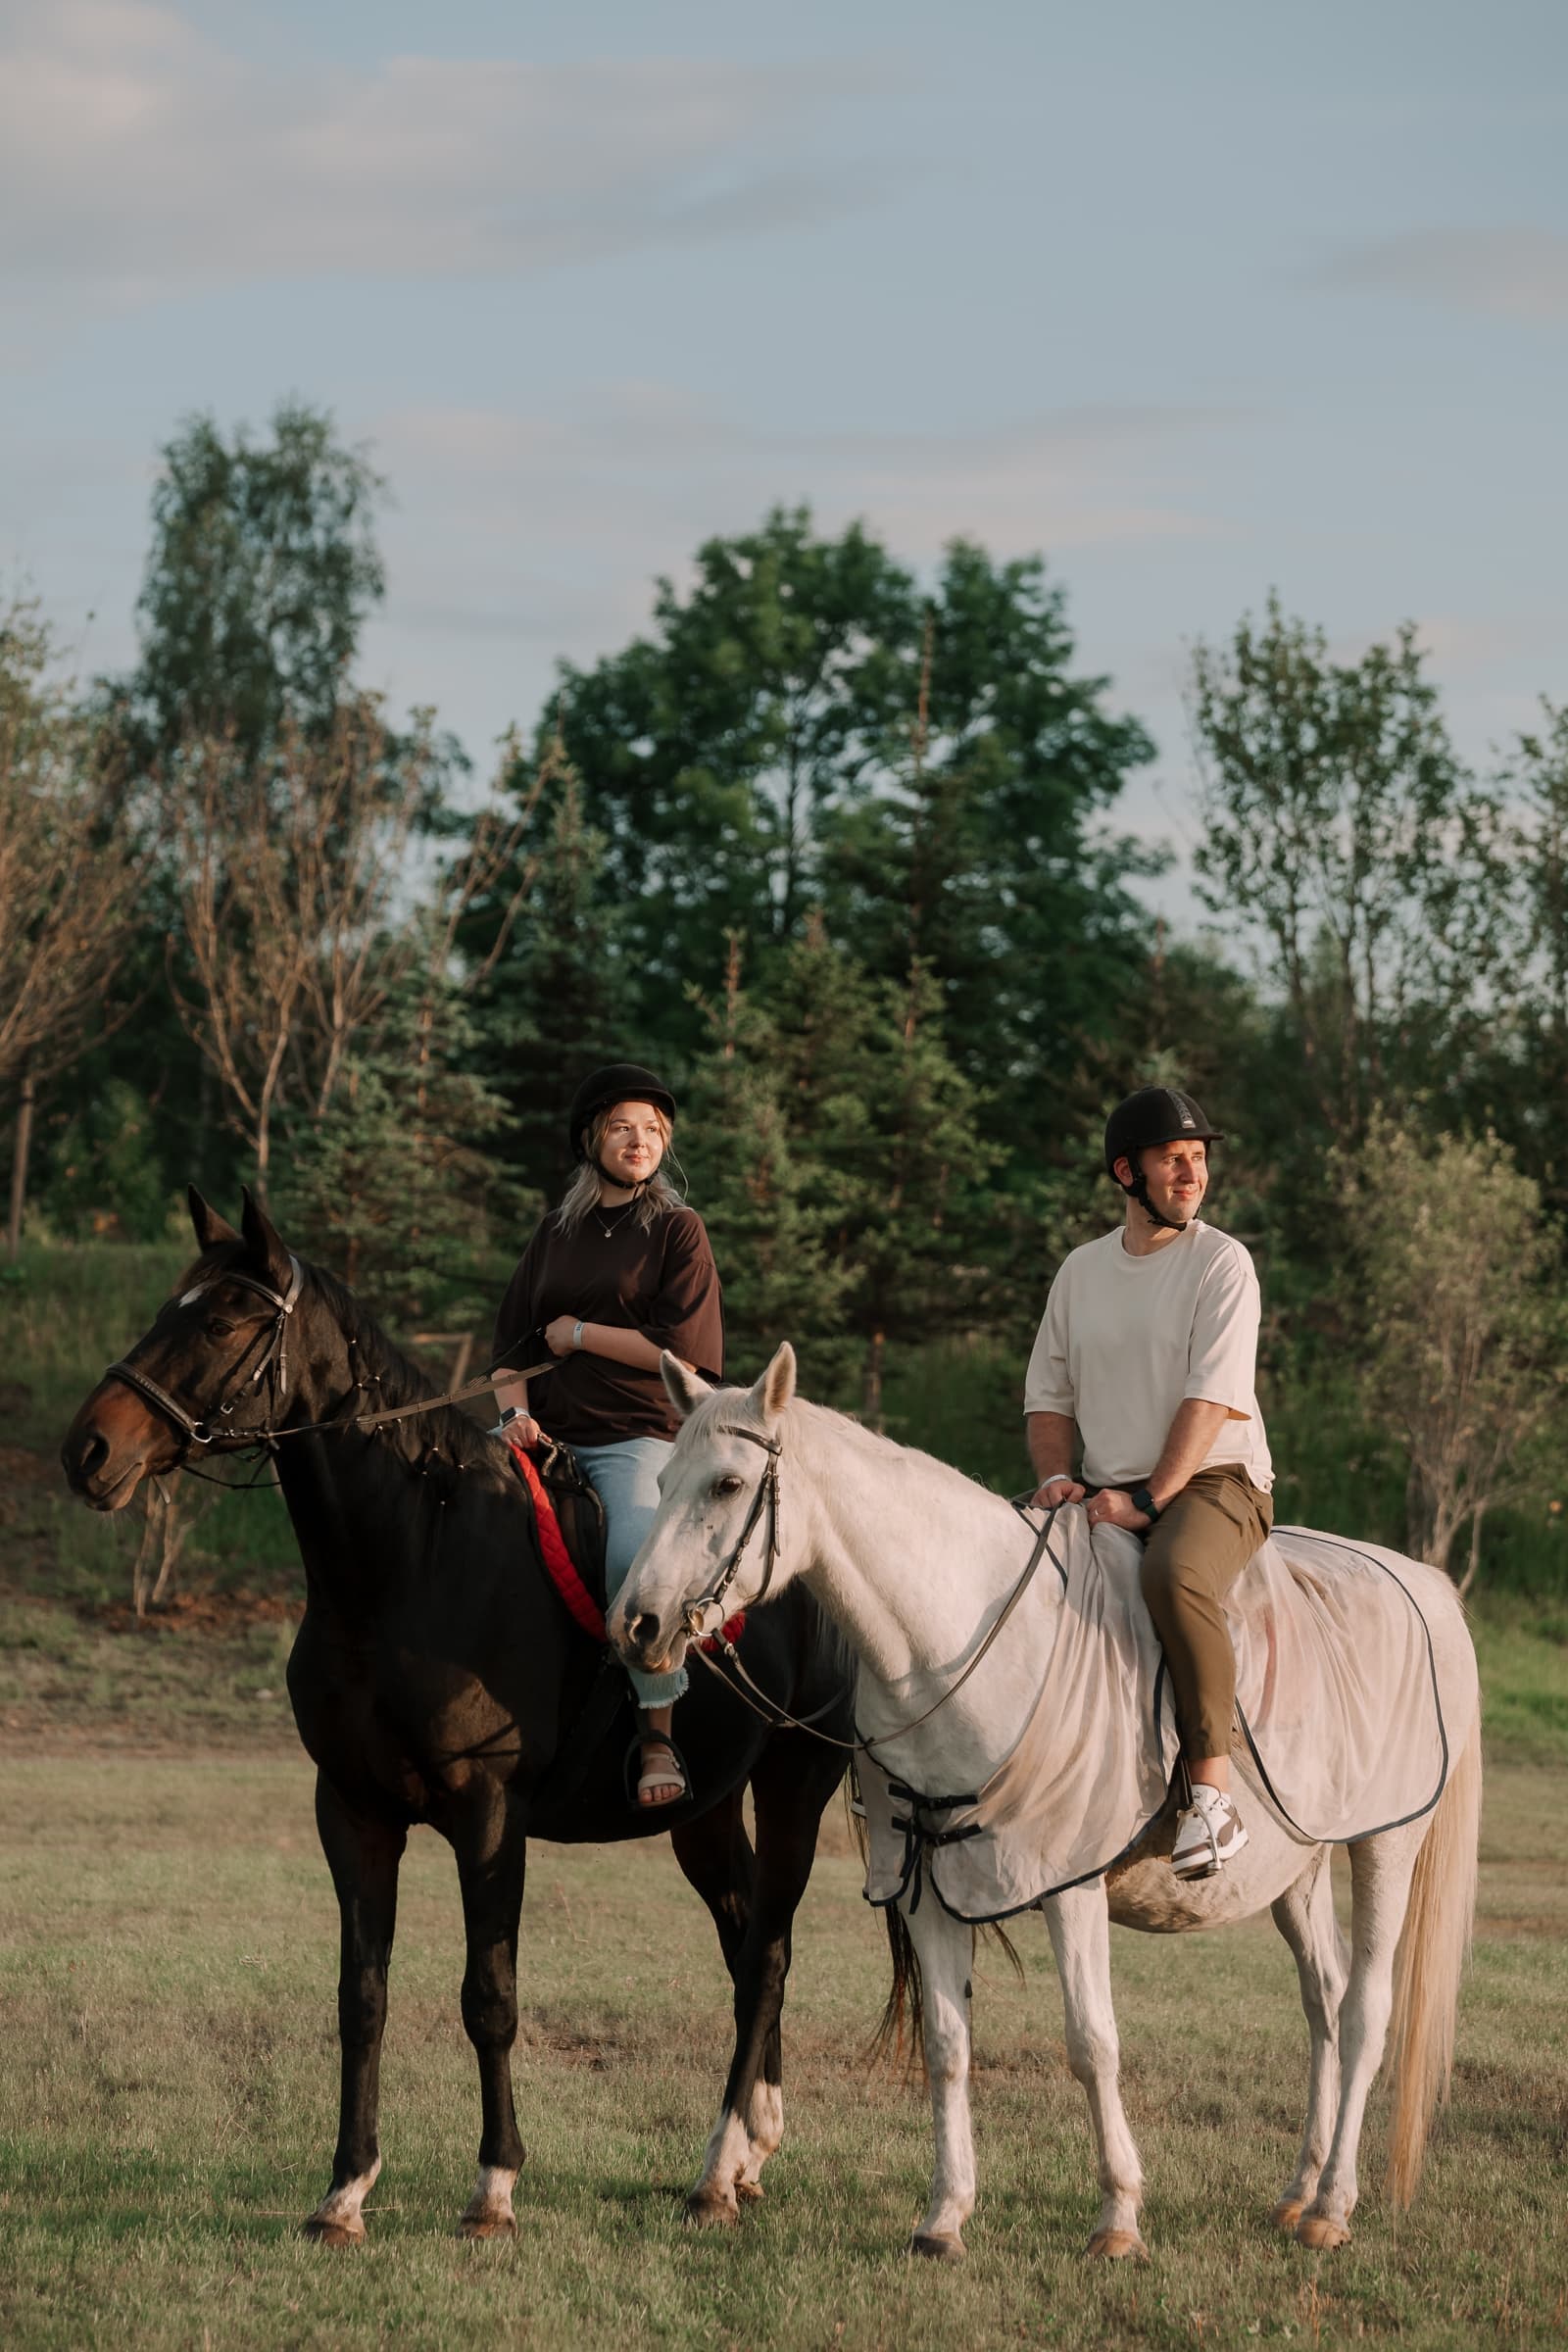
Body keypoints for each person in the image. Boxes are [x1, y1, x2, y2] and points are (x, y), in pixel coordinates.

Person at [1023, 1086, 1274, 1879]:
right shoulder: (1081, 1270)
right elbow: (1047, 1397)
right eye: (1175, 1159)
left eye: (1199, 1159)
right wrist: (1059, 1478)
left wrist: (1149, 1501)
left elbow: (1208, 1401)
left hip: (1215, 1480)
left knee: (1172, 1573)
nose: (1192, 1173)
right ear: (1127, 1172)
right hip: (1106, 1483)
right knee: (1013, 1565)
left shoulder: (1222, 1263)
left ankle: (1211, 1797)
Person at [491, 1062, 724, 1808]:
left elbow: (681, 1356)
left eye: (654, 1129)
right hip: (543, 1437)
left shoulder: (677, 1230)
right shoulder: (555, 1232)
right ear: (592, 1138)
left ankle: (657, 1731)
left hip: (636, 1438)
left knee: (635, 1551)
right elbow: (510, 1351)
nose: (640, 1139)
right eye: (623, 1125)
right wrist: (511, 1415)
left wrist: (581, 1332)